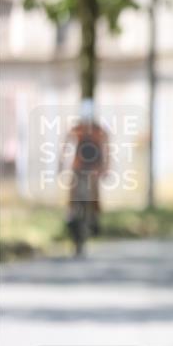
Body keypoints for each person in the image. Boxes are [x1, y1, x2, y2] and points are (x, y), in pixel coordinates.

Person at [61, 99, 109, 254]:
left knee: (94, 195)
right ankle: (70, 214)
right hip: (78, 168)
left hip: (94, 170)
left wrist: (105, 168)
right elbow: (66, 144)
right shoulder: (77, 129)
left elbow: (106, 150)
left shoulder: (100, 131)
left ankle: (94, 217)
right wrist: (61, 162)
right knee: (72, 192)